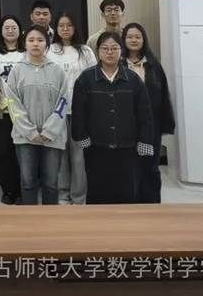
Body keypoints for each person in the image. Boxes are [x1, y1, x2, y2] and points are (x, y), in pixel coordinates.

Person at [71, 32, 155, 204]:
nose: (109, 52)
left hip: (127, 147)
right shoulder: (86, 79)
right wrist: (81, 137)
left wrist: (145, 140)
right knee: (98, 191)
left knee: (126, 192)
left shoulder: (133, 79)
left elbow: (145, 114)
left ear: (121, 51)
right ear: (98, 51)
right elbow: (78, 112)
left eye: (114, 48)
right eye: (105, 48)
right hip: (96, 147)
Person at [5, 25, 67, 205]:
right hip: (25, 137)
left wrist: (49, 131)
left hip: (52, 138)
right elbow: (13, 104)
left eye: (40, 40)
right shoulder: (17, 71)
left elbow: (63, 103)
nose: (35, 44)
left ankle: (50, 219)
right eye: (31, 40)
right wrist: (30, 131)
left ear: (47, 44)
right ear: (25, 44)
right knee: (28, 182)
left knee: (51, 183)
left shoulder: (57, 71)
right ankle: (29, 218)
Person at [122, 22, 175, 203]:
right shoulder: (119, 65)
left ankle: (151, 204)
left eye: (138, 37)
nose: (134, 40)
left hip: (151, 125)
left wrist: (165, 123)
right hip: (127, 126)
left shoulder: (153, 65)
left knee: (150, 166)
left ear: (143, 39)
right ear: (124, 40)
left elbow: (164, 96)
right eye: (130, 37)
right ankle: (131, 204)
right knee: (130, 167)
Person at [48, 12, 97, 205]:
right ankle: (62, 194)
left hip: (80, 111)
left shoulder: (85, 51)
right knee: (59, 154)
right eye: (61, 25)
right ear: (56, 28)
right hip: (57, 112)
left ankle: (78, 196)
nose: (65, 29)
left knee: (79, 157)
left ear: (75, 27)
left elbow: (93, 79)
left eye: (69, 25)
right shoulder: (50, 50)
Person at [0, 15, 25, 205]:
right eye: (6, 28)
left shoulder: (27, 51)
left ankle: (23, 190)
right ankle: (8, 190)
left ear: (20, 30)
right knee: (4, 151)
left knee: (23, 151)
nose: (10, 31)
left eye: (13, 27)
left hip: (24, 111)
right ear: (1, 31)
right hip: (1, 109)